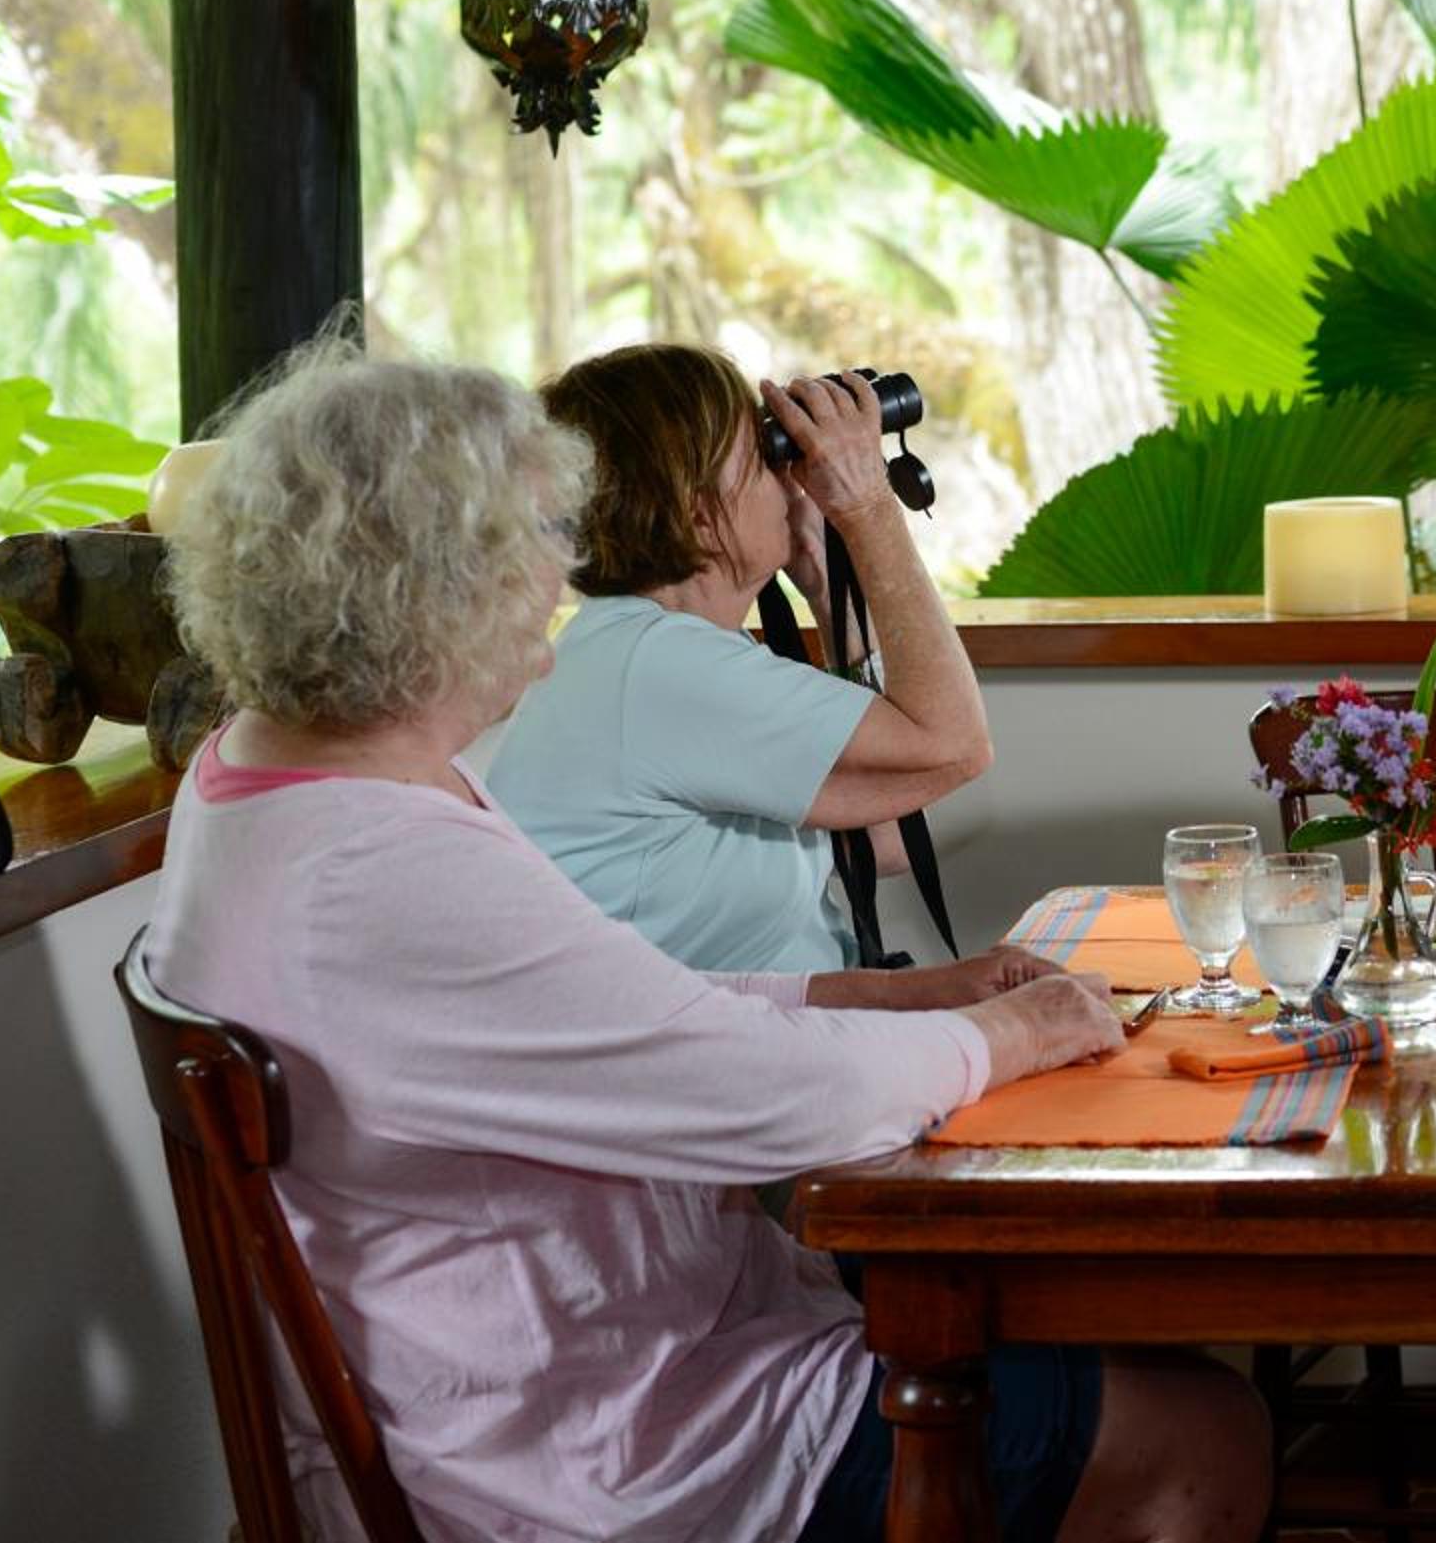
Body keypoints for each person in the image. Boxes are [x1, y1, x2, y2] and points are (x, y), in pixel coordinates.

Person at [151, 348, 1270, 1543]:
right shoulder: (383, 865)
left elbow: (618, 1001)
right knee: (1204, 1434)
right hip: (599, 1449)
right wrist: (998, 1033)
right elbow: (785, 1102)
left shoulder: (265, 789)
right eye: (531, 539)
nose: (554, 578)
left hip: (537, 1378)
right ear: (435, 592)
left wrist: (913, 1003)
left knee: (1099, 1358)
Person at [484, 343, 995, 974]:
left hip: (755, 1033)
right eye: (763, 458)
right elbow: (958, 744)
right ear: (701, 515)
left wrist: (828, 596)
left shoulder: (650, 650)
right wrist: (866, 507)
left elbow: (882, 839)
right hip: (692, 1059)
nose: (791, 475)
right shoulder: (659, 666)